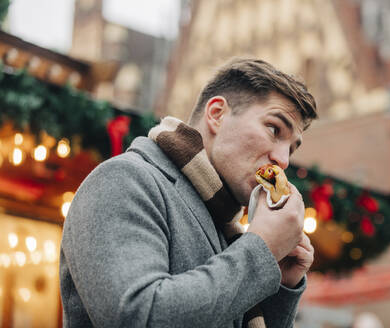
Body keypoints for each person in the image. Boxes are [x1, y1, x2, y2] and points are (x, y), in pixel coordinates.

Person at [60, 58, 318, 328]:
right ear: (217, 114)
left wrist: (279, 283)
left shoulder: (228, 229)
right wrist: (261, 249)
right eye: (274, 129)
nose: (283, 160)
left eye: (291, 148)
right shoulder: (123, 178)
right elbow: (136, 317)